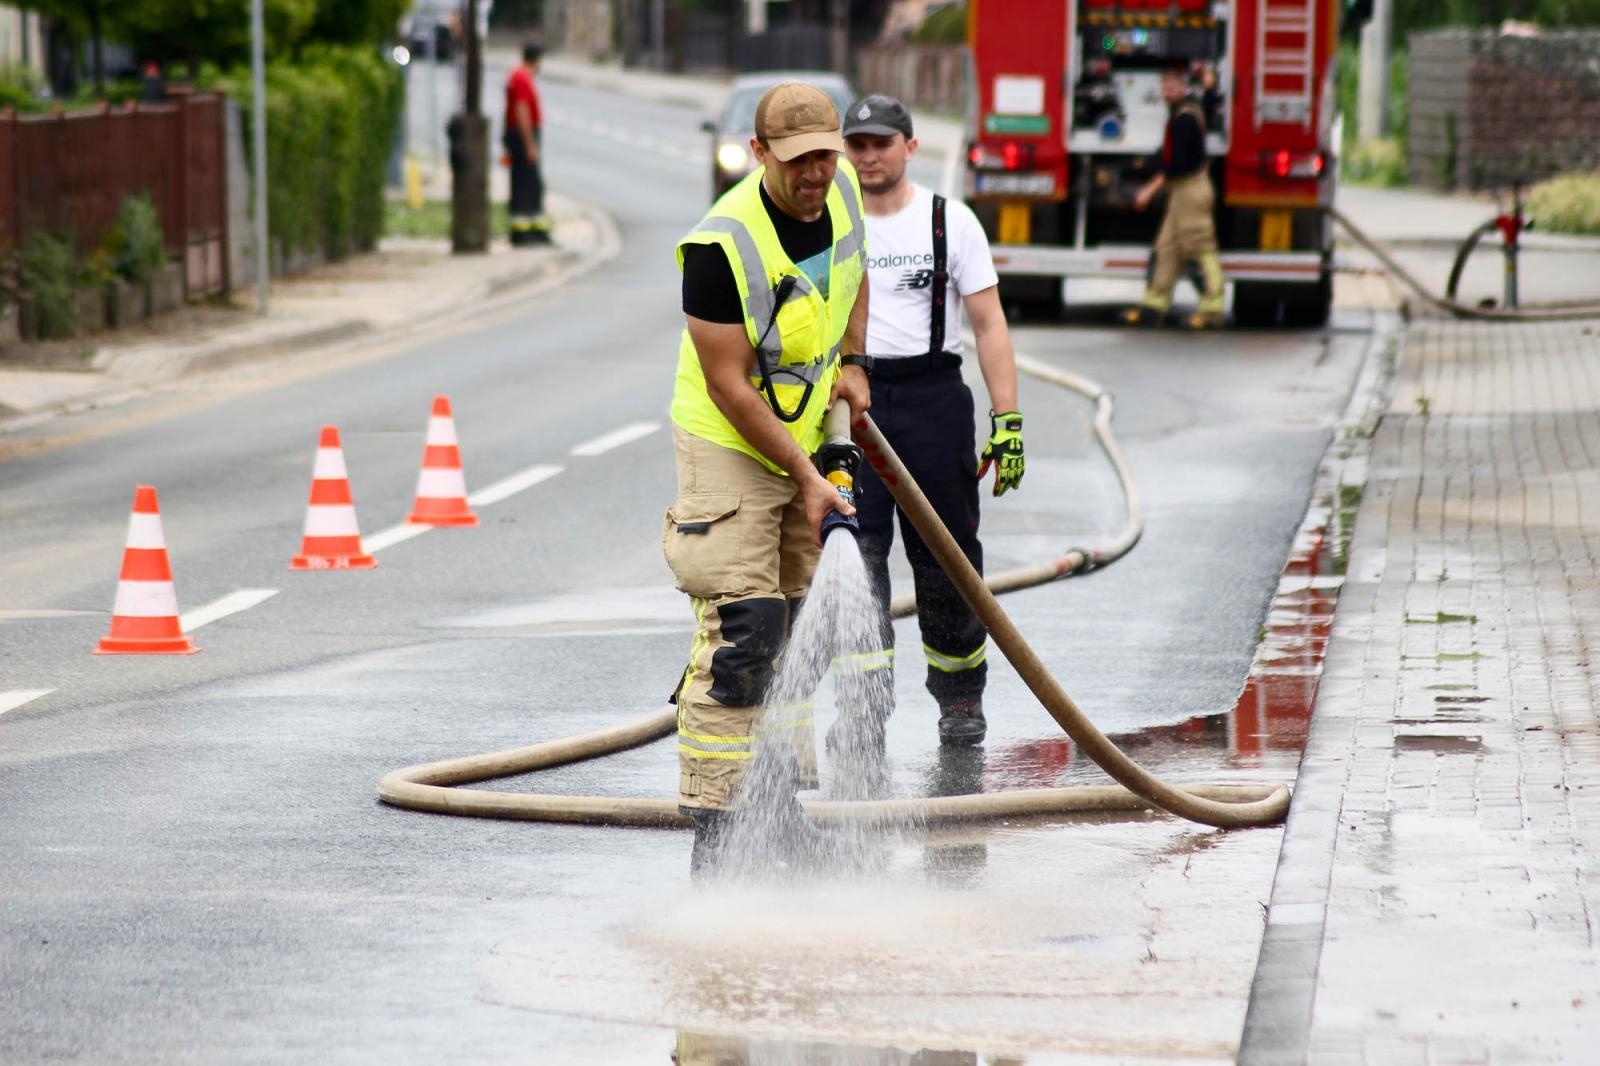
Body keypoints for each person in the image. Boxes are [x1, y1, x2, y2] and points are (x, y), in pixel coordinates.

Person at [665, 82, 872, 875]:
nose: (816, 174)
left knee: (798, 627)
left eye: (825, 155)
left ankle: (776, 809)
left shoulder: (843, 188)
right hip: (730, 440)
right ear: (759, 156)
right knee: (746, 628)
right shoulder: (721, 249)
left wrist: (853, 361)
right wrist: (807, 478)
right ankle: (718, 834)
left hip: (803, 426)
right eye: (797, 162)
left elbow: (853, 278)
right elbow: (730, 386)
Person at [841, 94, 1023, 748]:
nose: (868, 157)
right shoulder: (832, 225)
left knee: (946, 558)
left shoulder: (952, 223)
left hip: (933, 399)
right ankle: (862, 709)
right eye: (857, 145)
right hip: (851, 406)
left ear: (909, 148)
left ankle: (961, 700)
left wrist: (1009, 420)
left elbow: (989, 323)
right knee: (855, 558)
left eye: (880, 144)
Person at [1122, 63, 1224, 329]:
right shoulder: (1189, 110)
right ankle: (1153, 305)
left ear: (1183, 88)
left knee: (1199, 246)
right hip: (1182, 190)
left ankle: (1213, 308)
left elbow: (1175, 165)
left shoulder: (1184, 120)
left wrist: (1147, 190)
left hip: (1191, 189)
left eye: (1172, 87)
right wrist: (1211, 85)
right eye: (1164, 87)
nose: (1167, 92)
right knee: (1166, 247)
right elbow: (1210, 107)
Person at [503, 42, 551, 246]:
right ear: (537, 59)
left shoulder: (518, 76)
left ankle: (531, 231)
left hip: (518, 135)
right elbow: (522, 111)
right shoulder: (522, 78)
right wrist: (530, 144)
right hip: (523, 135)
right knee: (529, 184)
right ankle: (525, 233)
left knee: (528, 183)